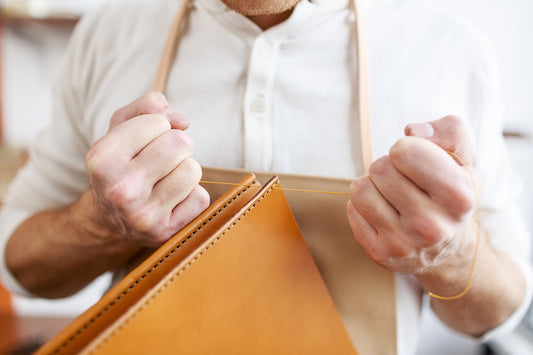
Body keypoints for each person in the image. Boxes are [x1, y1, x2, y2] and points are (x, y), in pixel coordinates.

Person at [0, 0, 531, 353]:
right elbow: (18, 265)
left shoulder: (450, 50)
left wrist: (454, 256)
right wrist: (100, 223)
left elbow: (504, 310)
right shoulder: (109, 32)